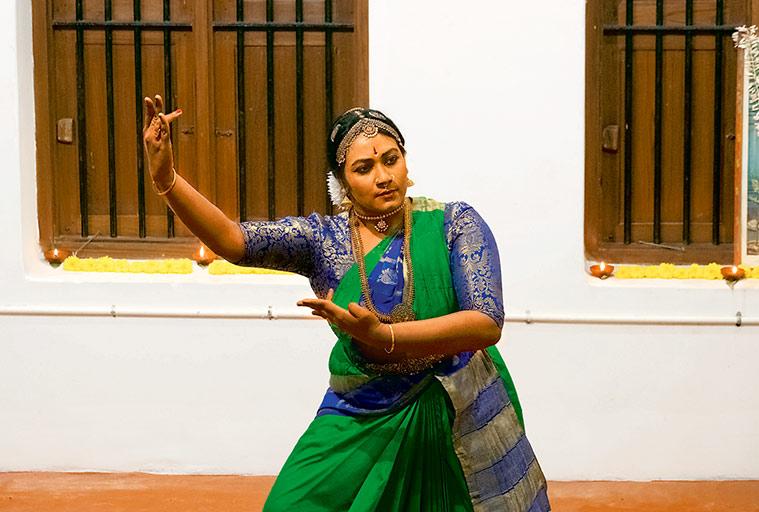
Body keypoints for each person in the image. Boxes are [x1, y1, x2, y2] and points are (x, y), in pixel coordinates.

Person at [143, 98, 550, 511]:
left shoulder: (453, 223)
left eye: (391, 160)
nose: (383, 176)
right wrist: (167, 179)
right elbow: (233, 241)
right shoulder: (323, 241)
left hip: (453, 406)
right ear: (342, 183)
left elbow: (486, 321)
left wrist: (383, 334)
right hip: (360, 408)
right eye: (364, 168)